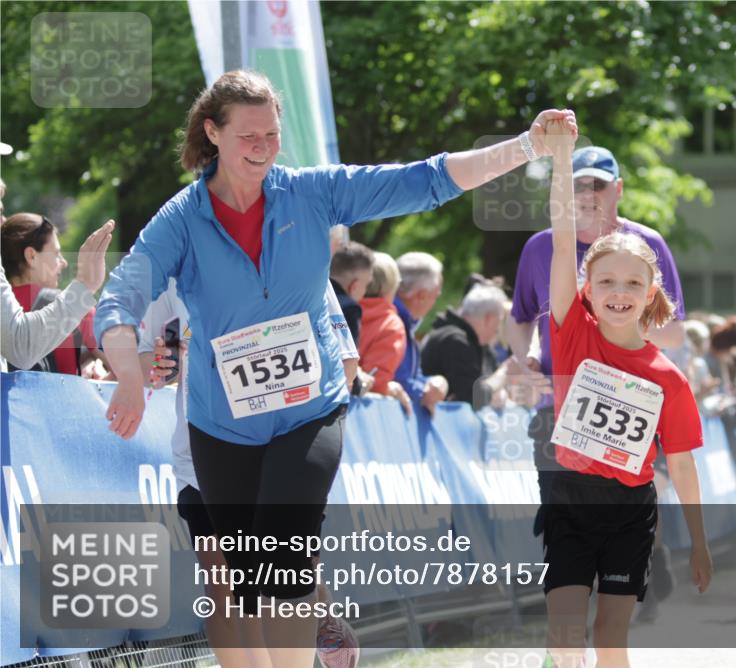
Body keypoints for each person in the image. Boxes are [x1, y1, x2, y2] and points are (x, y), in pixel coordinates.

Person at [94, 69, 575, 665]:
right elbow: (120, 298)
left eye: (271, 134)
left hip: (308, 409)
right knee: (248, 578)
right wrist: (132, 375)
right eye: (247, 136)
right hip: (222, 424)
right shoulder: (181, 219)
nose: (263, 148)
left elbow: (426, 180)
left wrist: (528, 146)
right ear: (212, 133)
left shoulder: (309, 192)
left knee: (285, 552)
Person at [542, 118, 710, 668]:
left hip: (629, 512)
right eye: (607, 282)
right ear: (587, 289)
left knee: (610, 641)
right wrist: (562, 156)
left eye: (633, 283)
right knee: (565, 637)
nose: (619, 293)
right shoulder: (571, 331)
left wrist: (701, 542)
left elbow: (683, 466)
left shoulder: (668, 377)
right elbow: (564, 235)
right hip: (568, 499)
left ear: (651, 294)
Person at [138, 278, 361, 668]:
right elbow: (152, 363)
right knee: (224, 584)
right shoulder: (173, 266)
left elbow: (346, 362)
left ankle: (317, 607)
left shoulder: (299, 253)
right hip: (201, 453)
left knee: (282, 571)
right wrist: (160, 363)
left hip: (283, 448)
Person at [507, 144, 687, 614]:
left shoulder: (647, 244)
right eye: (578, 184)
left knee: (634, 496)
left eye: (597, 185)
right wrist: (524, 354)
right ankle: (569, 623)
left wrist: (614, 327)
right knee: (563, 517)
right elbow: (521, 317)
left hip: (632, 401)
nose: (587, 193)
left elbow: (676, 331)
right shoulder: (540, 247)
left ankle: (643, 563)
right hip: (558, 406)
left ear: (618, 190)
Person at [0, 210, 115, 372]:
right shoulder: (75, 306)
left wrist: (86, 360)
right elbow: (127, 366)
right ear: (31, 256)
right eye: (56, 253)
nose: (64, 262)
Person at [421, 283, 508, 408]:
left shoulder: (466, 340)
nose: (498, 330)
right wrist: (504, 372)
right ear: (489, 318)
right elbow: (471, 398)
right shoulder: (455, 341)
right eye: (499, 321)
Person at [393, 251, 449, 414]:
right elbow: (399, 380)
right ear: (422, 295)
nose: (435, 303)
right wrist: (426, 391)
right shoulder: (394, 321)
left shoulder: (404, 322)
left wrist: (432, 383)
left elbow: (410, 377)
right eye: (435, 296)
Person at [358, 251, 411, 414]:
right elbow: (376, 382)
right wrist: (391, 389)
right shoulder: (391, 326)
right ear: (392, 286)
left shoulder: (335, 310)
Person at [329, 240, 374, 344]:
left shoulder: (310, 297)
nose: (365, 292)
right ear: (354, 286)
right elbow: (349, 357)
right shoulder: (350, 309)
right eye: (366, 285)